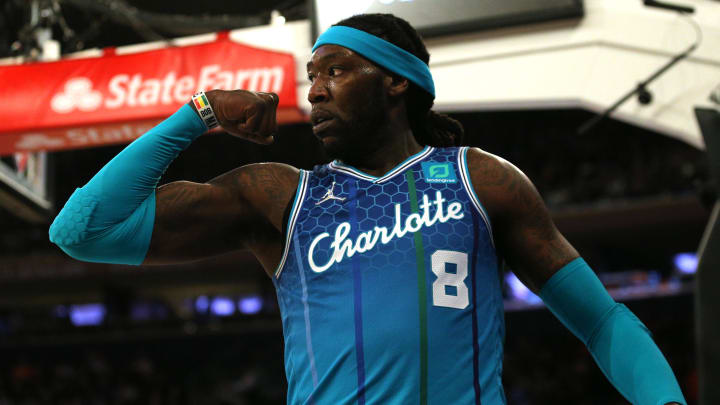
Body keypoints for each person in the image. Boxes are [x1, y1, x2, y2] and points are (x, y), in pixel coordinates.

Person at [49, 13, 686, 405]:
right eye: (311, 76)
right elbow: (82, 229)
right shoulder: (279, 195)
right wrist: (200, 114)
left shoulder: (482, 180)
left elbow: (602, 324)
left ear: (395, 82)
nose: (314, 90)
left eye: (336, 71)